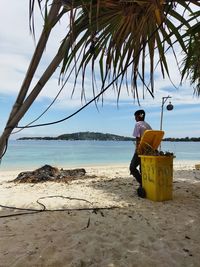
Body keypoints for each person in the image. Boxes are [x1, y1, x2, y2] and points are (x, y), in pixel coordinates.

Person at [129, 109, 152, 193]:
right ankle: (145, 184)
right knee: (143, 168)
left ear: (139, 116)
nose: (135, 118)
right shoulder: (148, 125)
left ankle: (143, 183)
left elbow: (138, 138)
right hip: (149, 150)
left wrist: (137, 150)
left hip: (141, 149)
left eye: (135, 116)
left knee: (132, 167)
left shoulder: (138, 124)